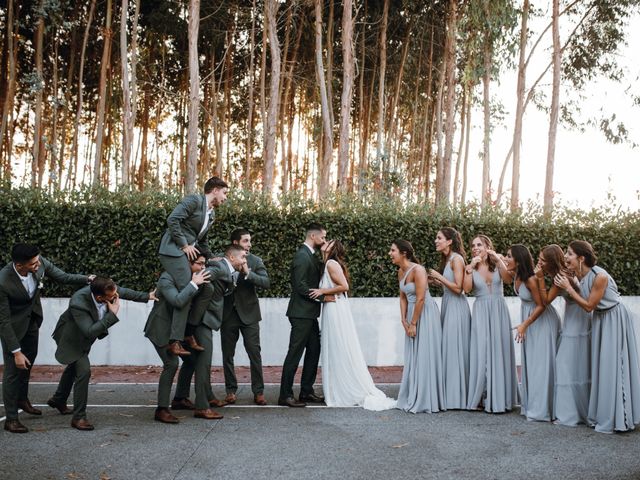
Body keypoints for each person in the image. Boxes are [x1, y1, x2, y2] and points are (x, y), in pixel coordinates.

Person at [0, 243, 92, 433]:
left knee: (28, 363)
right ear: (19, 266)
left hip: (32, 321)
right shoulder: (2, 281)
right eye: (33, 264)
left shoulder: (38, 262)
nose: (38, 265)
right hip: (12, 327)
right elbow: (4, 320)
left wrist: (88, 279)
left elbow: (64, 277)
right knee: (12, 370)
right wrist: (16, 351)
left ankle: (22, 399)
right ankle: (11, 419)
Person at [555, 240, 640, 433]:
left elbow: (588, 306)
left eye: (569, 254)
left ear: (581, 258)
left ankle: (619, 416)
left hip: (614, 318)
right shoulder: (580, 274)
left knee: (613, 366)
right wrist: (570, 284)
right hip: (601, 320)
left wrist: (569, 289)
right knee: (601, 367)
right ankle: (603, 413)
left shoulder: (599, 276)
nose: (566, 257)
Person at [49, 276, 153, 430]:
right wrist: (112, 315)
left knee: (73, 367)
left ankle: (58, 399)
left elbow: (122, 292)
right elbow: (90, 331)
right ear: (99, 298)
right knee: (83, 371)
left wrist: (147, 296)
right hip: (70, 338)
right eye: (112, 298)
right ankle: (78, 418)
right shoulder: (78, 303)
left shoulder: (107, 290)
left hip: (83, 338)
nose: (116, 298)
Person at [309, 240, 396, 410]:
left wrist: (322, 291)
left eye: (329, 242)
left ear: (332, 249)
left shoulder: (332, 264)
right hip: (331, 308)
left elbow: (344, 286)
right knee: (335, 347)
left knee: (338, 346)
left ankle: (344, 389)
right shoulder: (327, 264)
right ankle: (338, 387)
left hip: (335, 310)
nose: (324, 243)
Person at [158, 176, 229, 355]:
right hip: (173, 251)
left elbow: (201, 241)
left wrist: (212, 258)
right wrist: (184, 244)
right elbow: (172, 220)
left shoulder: (211, 214)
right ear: (215, 190)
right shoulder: (194, 200)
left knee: (207, 289)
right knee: (187, 288)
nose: (225, 197)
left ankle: (188, 333)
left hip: (186, 252)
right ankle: (174, 342)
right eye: (225, 193)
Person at [180, 244, 248, 419]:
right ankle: (202, 407)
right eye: (242, 257)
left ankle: (185, 397)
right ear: (232, 258)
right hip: (202, 320)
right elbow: (199, 279)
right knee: (204, 364)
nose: (245, 261)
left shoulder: (227, 269)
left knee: (193, 361)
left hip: (206, 320)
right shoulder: (219, 267)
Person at [144, 253, 211, 423]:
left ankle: (180, 398)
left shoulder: (192, 278)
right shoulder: (167, 278)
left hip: (178, 331)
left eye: (204, 264)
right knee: (171, 363)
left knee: (192, 360)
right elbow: (177, 301)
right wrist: (193, 284)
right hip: (161, 329)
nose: (203, 268)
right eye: (199, 264)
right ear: (186, 263)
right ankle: (161, 409)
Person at [535, 244, 591, 426]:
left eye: (543, 260)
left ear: (550, 262)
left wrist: (540, 279)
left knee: (565, 365)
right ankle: (576, 412)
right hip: (573, 321)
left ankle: (569, 415)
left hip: (577, 324)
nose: (539, 262)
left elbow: (545, 301)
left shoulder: (562, 276)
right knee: (574, 366)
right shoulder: (564, 273)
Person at [278, 223, 332, 408]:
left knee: (314, 350)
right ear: (313, 236)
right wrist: (321, 297)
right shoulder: (301, 255)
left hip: (309, 314)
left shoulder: (311, 255)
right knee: (294, 353)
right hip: (300, 313)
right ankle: (285, 395)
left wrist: (325, 256)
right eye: (323, 237)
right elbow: (299, 285)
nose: (324, 240)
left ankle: (306, 391)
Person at [506, 244, 560, 422]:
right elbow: (501, 269)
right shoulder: (517, 276)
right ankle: (531, 405)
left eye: (508, 256)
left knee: (541, 365)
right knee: (532, 362)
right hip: (529, 322)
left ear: (518, 261)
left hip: (541, 322)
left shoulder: (530, 279)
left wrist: (524, 324)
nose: (506, 259)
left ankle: (542, 409)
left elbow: (542, 305)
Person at [464, 235, 518, 413]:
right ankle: (481, 396)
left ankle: (499, 397)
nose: (475, 247)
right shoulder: (471, 266)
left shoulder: (499, 261)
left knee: (498, 350)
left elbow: (509, 280)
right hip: (480, 310)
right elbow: (466, 289)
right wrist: (470, 268)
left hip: (498, 310)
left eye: (479, 244)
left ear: (488, 246)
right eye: (473, 245)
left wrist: (498, 260)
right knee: (482, 352)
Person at [390, 239, 444, 413]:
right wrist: (403, 320)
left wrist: (413, 323)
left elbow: (420, 298)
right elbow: (403, 297)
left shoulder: (418, 270)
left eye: (393, 250)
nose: (390, 254)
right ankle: (414, 391)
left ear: (403, 253)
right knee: (413, 354)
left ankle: (427, 397)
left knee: (425, 352)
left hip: (425, 313)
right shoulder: (400, 272)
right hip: (411, 313)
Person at [221, 229, 270, 406]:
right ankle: (230, 391)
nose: (249, 244)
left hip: (250, 315)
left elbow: (266, 283)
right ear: (235, 243)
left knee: (254, 353)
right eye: (245, 241)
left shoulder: (255, 261)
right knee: (228, 355)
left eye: (250, 241)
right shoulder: (223, 260)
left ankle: (259, 392)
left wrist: (248, 273)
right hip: (227, 315)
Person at [428, 227, 472, 410]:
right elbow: (449, 286)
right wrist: (436, 282)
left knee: (455, 348)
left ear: (449, 241)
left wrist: (439, 277)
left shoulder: (457, 259)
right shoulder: (447, 260)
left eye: (439, 238)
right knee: (449, 348)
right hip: (448, 304)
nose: (436, 241)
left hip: (457, 307)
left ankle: (458, 396)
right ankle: (451, 393)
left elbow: (459, 288)